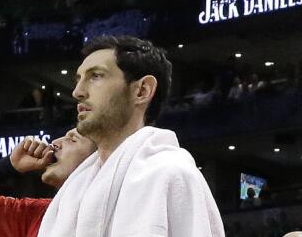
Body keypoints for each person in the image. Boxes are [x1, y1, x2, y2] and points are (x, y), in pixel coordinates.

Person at [35, 35, 223, 236]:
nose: (77, 92)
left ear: (142, 90)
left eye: (96, 76)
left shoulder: (172, 173)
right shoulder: (73, 191)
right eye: (79, 79)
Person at [0, 131, 98, 237]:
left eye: (72, 140)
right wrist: (8, 166)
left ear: (99, 159)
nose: (55, 143)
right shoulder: (37, 215)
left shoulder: (114, 213)